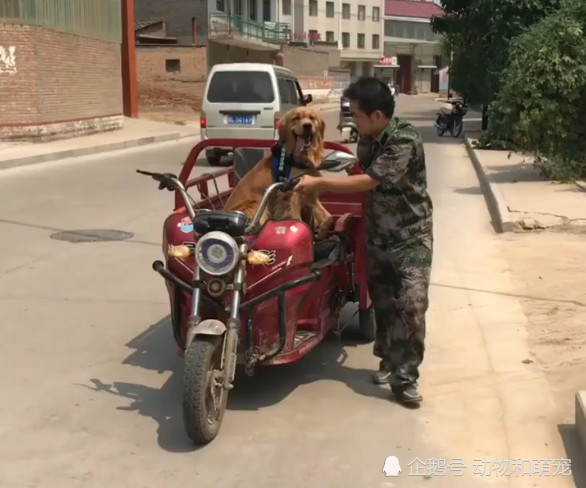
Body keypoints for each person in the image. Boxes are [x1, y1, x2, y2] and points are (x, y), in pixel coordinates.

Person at [293, 77, 433, 406]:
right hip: (378, 233)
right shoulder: (368, 139)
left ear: (376, 115)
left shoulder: (404, 140)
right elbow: (358, 169)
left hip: (411, 237)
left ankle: (406, 377)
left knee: (410, 306)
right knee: (383, 302)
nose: (352, 118)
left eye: (356, 113)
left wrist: (318, 184)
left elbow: (369, 180)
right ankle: (388, 361)